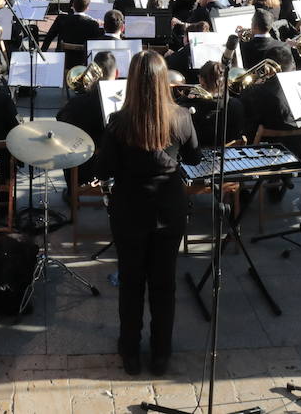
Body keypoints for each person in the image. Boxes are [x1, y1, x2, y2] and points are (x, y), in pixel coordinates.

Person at [95, 50, 201, 376]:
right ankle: (160, 354)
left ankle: (130, 352)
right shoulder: (181, 117)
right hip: (169, 208)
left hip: (129, 209)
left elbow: (105, 167)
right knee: (164, 283)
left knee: (131, 283)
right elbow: (195, 158)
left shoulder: (118, 122)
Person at [56, 51, 119, 182]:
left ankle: (72, 193)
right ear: (117, 73)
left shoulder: (77, 103)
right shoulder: (127, 100)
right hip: (116, 167)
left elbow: (60, 118)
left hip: (83, 168)